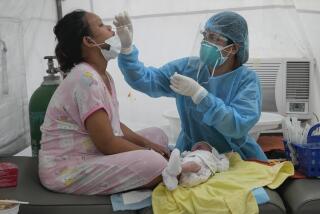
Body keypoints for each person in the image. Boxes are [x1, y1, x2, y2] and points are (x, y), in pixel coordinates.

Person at [38, 10, 170, 195]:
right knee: (156, 163)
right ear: (89, 41)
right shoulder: (86, 79)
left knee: (158, 136)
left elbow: (113, 123)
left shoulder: (102, 75)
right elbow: (107, 143)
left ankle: (150, 161)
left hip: (92, 151)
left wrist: (149, 144)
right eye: (101, 25)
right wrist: (149, 151)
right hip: (66, 168)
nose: (110, 28)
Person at [114, 11, 268, 161]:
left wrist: (200, 95)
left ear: (233, 48)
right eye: (206, 35)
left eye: (214, 38)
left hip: (235, 157)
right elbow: (146, 81)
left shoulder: (247, 80)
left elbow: (237, 126)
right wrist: (127, 50)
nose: (206, 42)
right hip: (191, 153)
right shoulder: (188, 68)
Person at [162, 141, 229, 191]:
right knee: (182, 166)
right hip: (185, 172)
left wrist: (223, 157)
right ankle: (172, 178)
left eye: (202, 145)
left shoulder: (212, 157)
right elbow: (179, 157)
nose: (198, 145)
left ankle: (173, 171)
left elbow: (223, 166)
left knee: (192, 165)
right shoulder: (188, 153)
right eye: (196, 146)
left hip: (198, 172)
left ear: (211, 150)